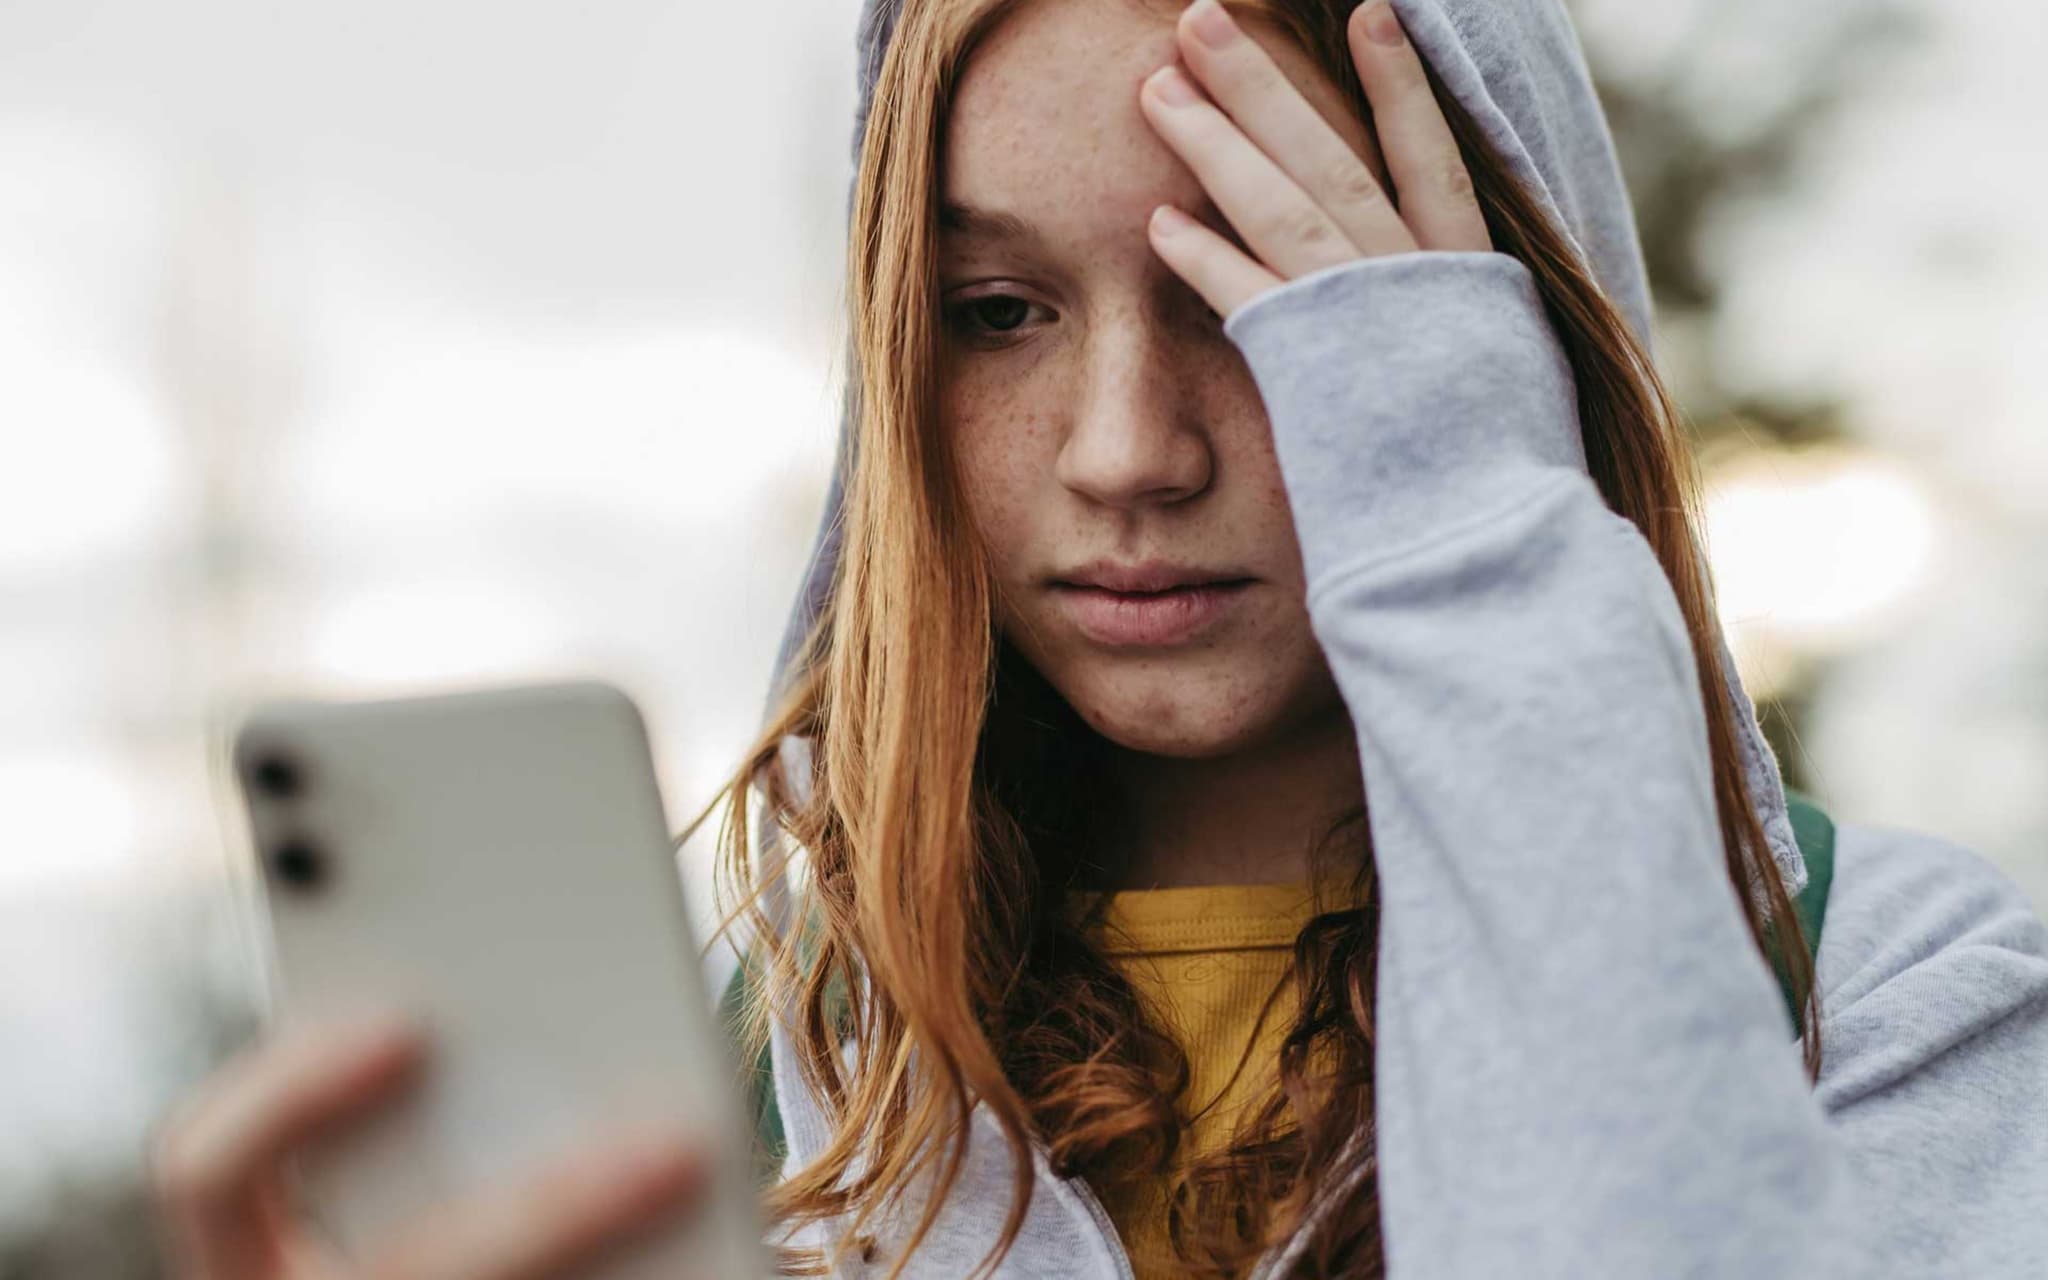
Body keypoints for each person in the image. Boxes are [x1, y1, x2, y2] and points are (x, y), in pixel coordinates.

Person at [151, 0, 2048, 1277]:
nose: (1128, 453)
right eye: (996, 312)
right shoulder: (752, 1090)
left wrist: (1464, 517)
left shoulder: (1891, 997)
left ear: (1490, 337)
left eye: (1263, 289)